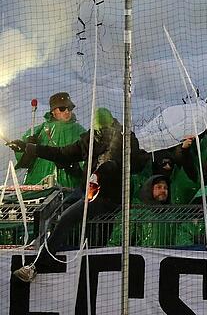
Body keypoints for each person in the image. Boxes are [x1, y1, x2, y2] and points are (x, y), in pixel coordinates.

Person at [9, 107, 148, 282]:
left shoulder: (125, 138)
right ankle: (58, 249)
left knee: (67, 217)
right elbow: (64, 153)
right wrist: (30, 148)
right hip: (85, 190)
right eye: (98, 131)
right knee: (57, 210)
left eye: (104, 130)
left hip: (108, 196)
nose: (101, 134)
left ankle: (38, 265)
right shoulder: (90, 139)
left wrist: (104, 170)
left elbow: (123, 163)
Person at [14, 92, 87, 187]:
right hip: (38, 184)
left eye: (69, 108)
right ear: (53, 111)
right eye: (62, 109)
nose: (67, 111)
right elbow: (24, 162)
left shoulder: (79, 131)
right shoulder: (38, 131)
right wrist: (28, 147)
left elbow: (87, 160)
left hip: (71, 185)